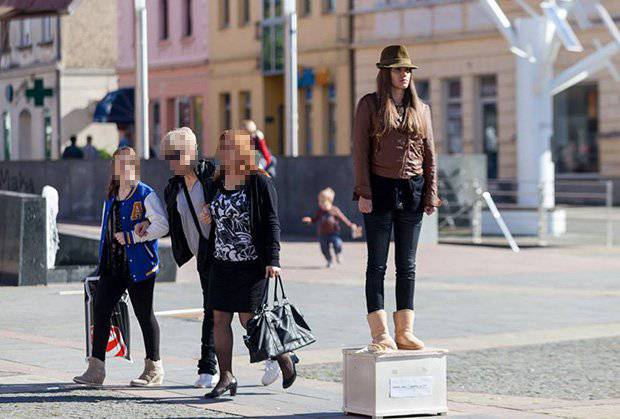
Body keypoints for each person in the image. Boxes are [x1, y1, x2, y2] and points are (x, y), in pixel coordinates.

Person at [353, 45, 441, 353]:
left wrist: (431, 193)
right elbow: (360, 154)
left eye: (407, 70)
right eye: (397, 69)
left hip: (412, 190)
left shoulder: (422, 109)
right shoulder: (370, 105)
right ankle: (381, 333)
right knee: (377, 265)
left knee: (408, 265)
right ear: (385, 73)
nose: (404, 75)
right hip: (378, 190)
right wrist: (363, 192)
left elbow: (430, 155)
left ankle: (405, 331)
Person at [203, 130, 297, 398]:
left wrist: (273, 260)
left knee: (250, 321)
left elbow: (271, 222)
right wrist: (208, 212)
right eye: (223, 147)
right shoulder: (217, 181)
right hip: (221, 263)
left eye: (231, 148)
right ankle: (226, 376)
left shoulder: (259, 182)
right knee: (219, 319)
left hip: (251, 264)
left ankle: (283, 357)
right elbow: (215, 211)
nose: (225, 153)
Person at [73, 146, 169, 387]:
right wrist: (101, 263)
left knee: (144, 315)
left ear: (135, 166)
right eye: (119, 164)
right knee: (101, 310)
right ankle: (96, 369)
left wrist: (133, 237)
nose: (124, 168)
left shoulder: (145, 193)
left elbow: (163, 226)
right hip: (112, 267)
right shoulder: (111, 196)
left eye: (128, 163)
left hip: (140, 267)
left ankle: (154, 368)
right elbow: (105, 231)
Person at [160, 127, 219, 388]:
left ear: (189, 152)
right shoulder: (173, 187)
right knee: (218, 310)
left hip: (222, 251)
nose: (170, 162)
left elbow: (232, 202)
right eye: (167, 156)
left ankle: (208, 367)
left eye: (174, 155)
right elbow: (171, 222)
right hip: (201, 255)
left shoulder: (212, 175)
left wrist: (213, 209)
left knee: (227, 311)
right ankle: (276, 353)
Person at [302, 187, 361, 268]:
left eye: (322, 201)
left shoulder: (334, 210)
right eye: (319, 201)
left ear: (329, 201)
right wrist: (310, 220)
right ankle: (329, 259)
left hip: (334, 233)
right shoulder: (320, 211)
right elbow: (315, 219)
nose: (319, 203)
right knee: (324, 248)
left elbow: (343, 219)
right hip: (323, 234)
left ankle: (338, 254)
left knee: (338, 243)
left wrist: (351, 225)